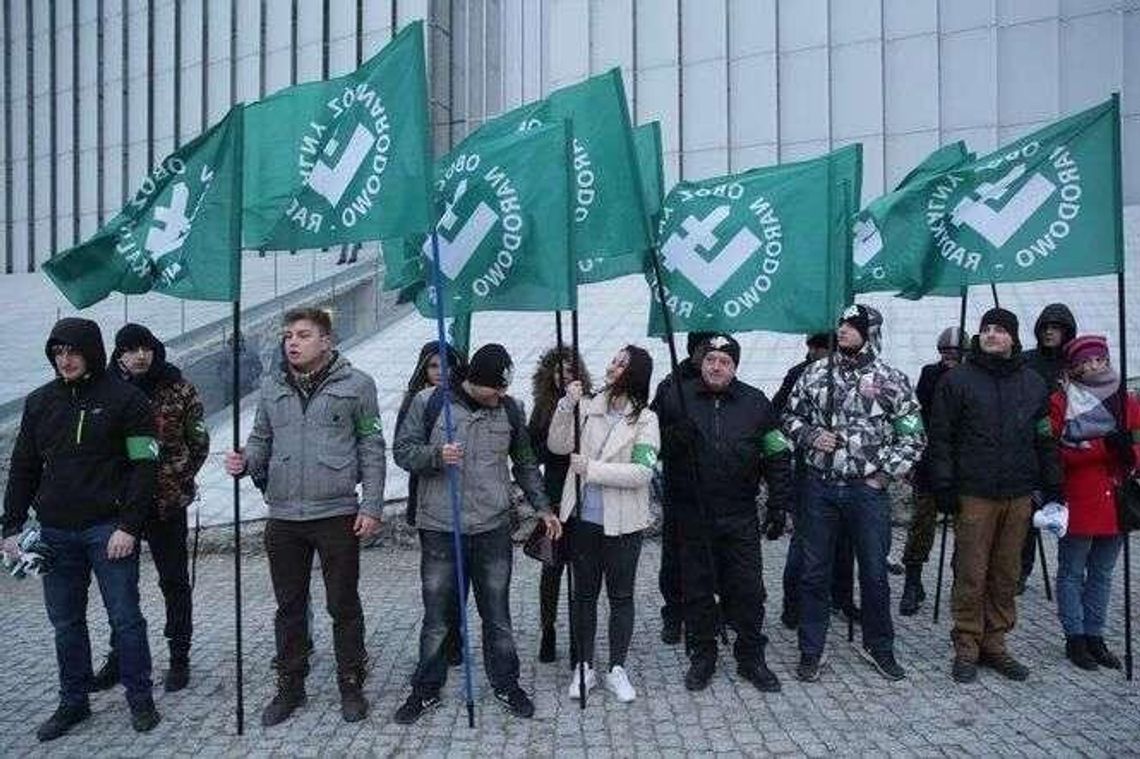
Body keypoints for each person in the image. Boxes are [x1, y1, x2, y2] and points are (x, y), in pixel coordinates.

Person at [224, 308, 386, 726]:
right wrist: (245, 460)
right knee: (289, 606)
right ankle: (290, 685)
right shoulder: (271, 387)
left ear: (326, 341)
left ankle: (351, 682)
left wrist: (371, 506)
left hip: (335, 512)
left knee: (342, 604)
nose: (292, 342)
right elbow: (261, 439)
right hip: (283, 515)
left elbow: (371, 446)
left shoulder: (358, 385)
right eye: (288, 336)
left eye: (303, 335)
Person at [2, 318, 161, 741]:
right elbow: (24, 467)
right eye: (58, 352)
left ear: (91, 351)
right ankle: (73, 702)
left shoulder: (127, 400)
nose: (65, 360)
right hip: (55, 533)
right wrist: (11, 526)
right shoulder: (40, 403)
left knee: (125, 619)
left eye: (73, 351)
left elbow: (145, 467)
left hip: (109, 530)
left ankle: (140, 698)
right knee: (66, 623)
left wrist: (129, 526)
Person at [392, 343, 561, 724]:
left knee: (497, 615)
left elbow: (525, 463)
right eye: (494, 389)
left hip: (492, 528)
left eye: (504, 388)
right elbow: (402, 451)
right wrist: (436, 456)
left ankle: (506, 684)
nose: (500, 395)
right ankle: (425, 689)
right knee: (438, 617)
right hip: (441, 527)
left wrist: (543, 507)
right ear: (473, 380)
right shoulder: (428, 402)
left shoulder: (510, 409)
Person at [783, 305, 924, 683]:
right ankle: (811, 649)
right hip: (820, 487)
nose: (842, 329)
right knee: (814, 573)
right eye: (841, 323)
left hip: (867, 491)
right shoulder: (815, 373)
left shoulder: (891, 379)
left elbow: (913, 436)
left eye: (852, 325)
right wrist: (811, 435)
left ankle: (879, 646)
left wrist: (884, 475)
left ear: (870, 332)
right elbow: (788, 418)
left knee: (875, 573)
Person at [928, 308, 1063, 684]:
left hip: (1018, 493)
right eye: (986, 329)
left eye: (1000, 330)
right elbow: (941, 436)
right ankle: (967, 643)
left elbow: (1044, 436)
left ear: (1013, 338)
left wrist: (1053, 482)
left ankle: (995, 642)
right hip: (975, 492)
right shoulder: (958, 380)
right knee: (971, 572)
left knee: (1006, 572)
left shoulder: (1033, 382)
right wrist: (944, 484)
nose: (991, 335)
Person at [656, 333, 791, 693]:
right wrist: (672, 437)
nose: (716, 367)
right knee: (697, 589)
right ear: (701, 362)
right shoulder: (675, 397)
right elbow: (648, 444)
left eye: (724, 362)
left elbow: (776, 452)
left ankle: (751, 656)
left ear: (734, 368)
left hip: (739, 512)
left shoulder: (756, 402)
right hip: (692, 513)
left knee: (748, 588)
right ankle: (703, 654)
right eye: (711, 360)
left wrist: (779, 503)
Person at [87, 324, 210, 695]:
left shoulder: (178, 387)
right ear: (118, 354)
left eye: (146, 348)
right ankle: (120, 656)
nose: (140, 356)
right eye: (131, 349)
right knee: (120, 587)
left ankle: (179, 656)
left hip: (166, 504)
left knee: (174, 582)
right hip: (120, 507)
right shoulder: (104, 390)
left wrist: (178, 478)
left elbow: (198, 441)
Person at [548, 345, 658, 703]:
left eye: (622, 364)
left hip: (624, 523)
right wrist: (566, 405)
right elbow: (557, 445)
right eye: (613, 360)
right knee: (584, 595)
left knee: (621, 595)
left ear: (636, 373)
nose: (612, 367)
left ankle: (617, 668)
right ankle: (584, 666)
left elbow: (642, 471)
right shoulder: (587, 407)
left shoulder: (646, 419)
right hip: (584, 520)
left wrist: (592, 469)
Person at [1049, 335, 1135, 671]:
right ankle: (1075, 636)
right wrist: (1103, 448)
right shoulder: (1061, 401)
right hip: (1080, 497)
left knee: (1102, 573)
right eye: (1084, 362)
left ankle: (1095, 634)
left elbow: (1137, 441)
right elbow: (1056, 451)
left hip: (1116, 499)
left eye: (1098, 359)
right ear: (1074, 367)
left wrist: (1129, 452)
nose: (1092, 366)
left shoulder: (1124, 400)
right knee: (1072, 571)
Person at [395, 340, 468, 666]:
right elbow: (404, 452)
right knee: (438, 581)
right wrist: (436, 455)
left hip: (466, 501)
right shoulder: (417, 402)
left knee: (462, 577)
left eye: (446, 366)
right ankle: (440, 641)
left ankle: (455, 635)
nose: (440, 372)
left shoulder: (464, 400)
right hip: (430, 499)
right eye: (434, 366)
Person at [774, 333, 849, 629]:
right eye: (825, 350)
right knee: (804, 543)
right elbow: (779, 414)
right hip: (809, 471)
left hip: (844, 473)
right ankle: (792, 605)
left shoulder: (848, 373)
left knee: (844, 541)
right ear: (814, 349)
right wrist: (809, 433)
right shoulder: (799, 374)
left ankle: (840, 599)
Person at [527, 345, 592, 664]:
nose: (563, 376)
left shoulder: (589, 403)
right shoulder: (544, 406)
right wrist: (556, 445)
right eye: (558, 371)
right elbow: (532, 450)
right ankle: (548, 628)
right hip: (555, 491)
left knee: (582, 569)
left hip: (582, 491)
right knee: (552, 567)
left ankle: (579, 635)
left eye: (569, 370)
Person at [650, 331, 712, 645]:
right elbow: (650, 435)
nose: (711, 358)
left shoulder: (723, 382)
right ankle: (674, 614)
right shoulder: (670, 387)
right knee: (675, 556)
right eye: (705, 350)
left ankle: (711, 610)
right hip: (680, 486)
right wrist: (675, 435)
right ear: (692, 351)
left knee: (712, 555)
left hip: (715, 488)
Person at [898, 326, 965, 616]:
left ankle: (961, 584)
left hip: (963, 465)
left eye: (955, 351)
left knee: (966, 530)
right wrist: (912, 455)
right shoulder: (929, 374)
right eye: (944, 351)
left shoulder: (973, 377)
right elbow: (915, 413)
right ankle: (912, 583)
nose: (949, 356)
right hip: (930, 461)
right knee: (921, 524)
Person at [1020, 303, 1078, 591]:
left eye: (1056, 328)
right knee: (1027, 515)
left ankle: (1072, 572)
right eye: (1045, 327)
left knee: (1068, 511)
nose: (1049, 332)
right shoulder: (1026, 361)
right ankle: (1021, 569)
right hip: (1032, 447)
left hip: (1068, 446)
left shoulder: (1077, 364)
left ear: (1067, 331)